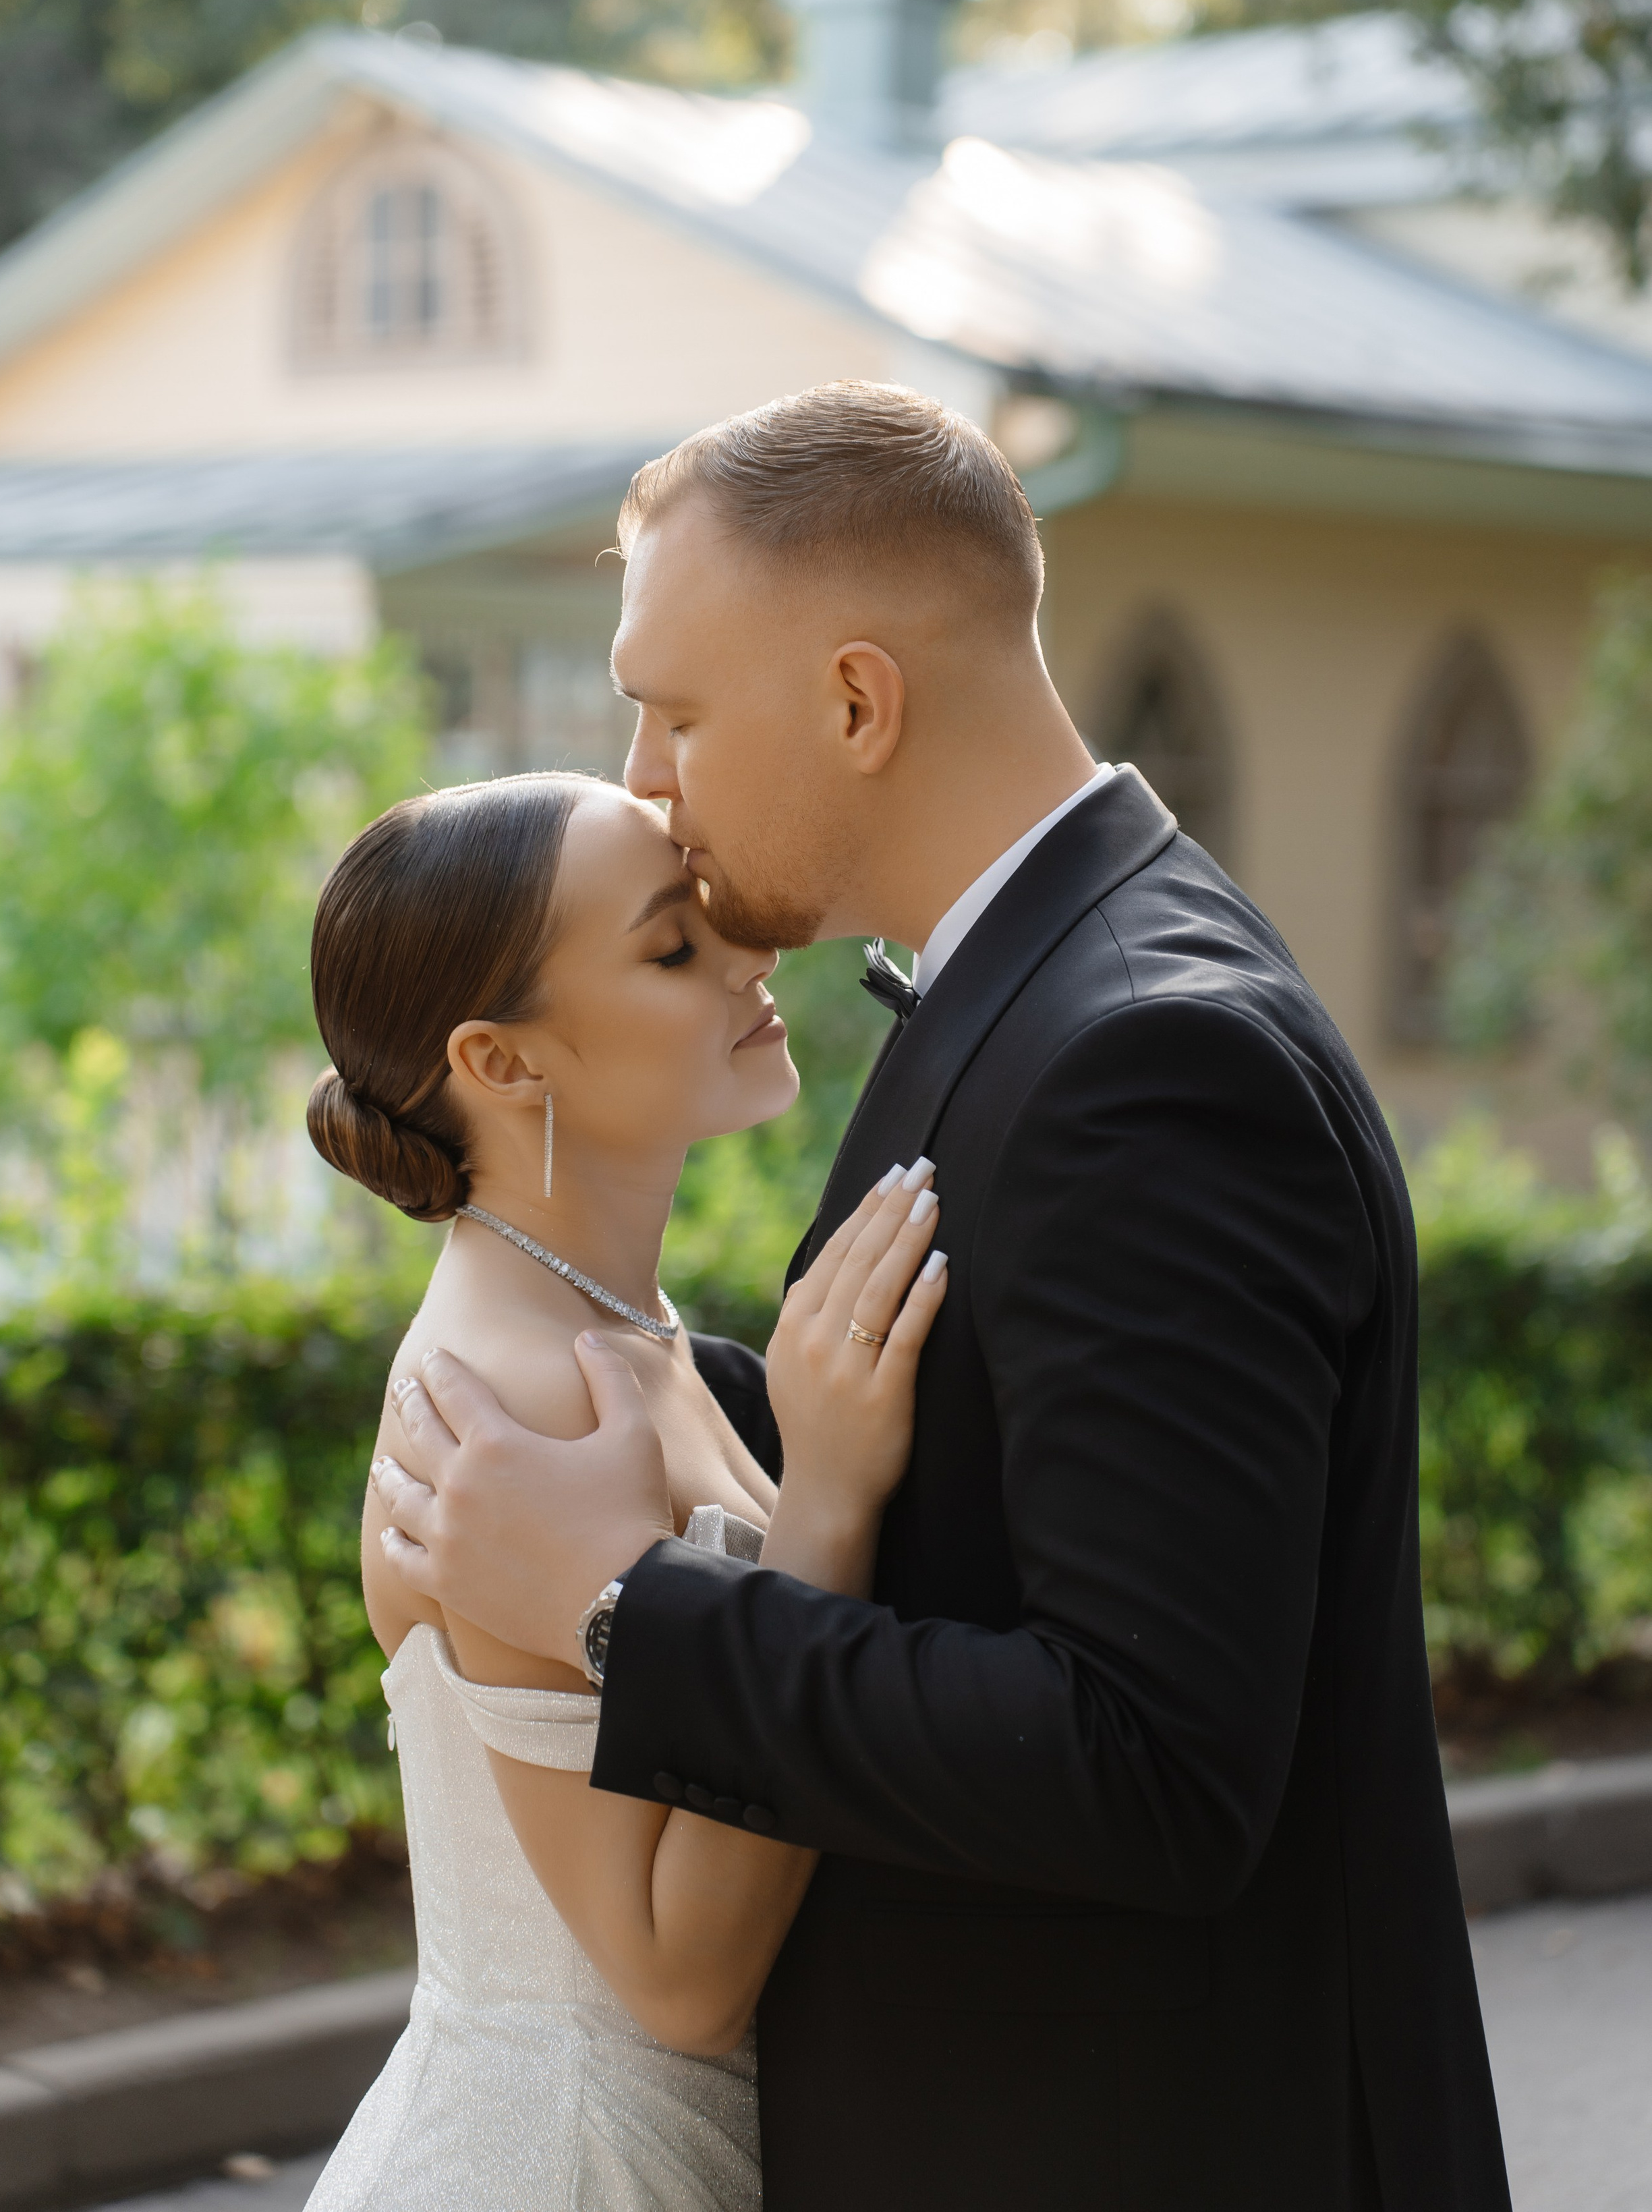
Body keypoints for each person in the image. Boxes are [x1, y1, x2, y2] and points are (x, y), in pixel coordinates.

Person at [374, 380, 1512, 2212]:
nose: (644, 779)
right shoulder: (1059, 984)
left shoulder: (1140, 1059)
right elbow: (1005, 1475)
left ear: (854, 702)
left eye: (671, 711)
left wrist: (614, 1603)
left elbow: (1151, 1766)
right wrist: (685, 1404)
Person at [300, 770, 948, 2211]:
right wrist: (827, 1501)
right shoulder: (502, 1397)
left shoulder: (619, 1332)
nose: (750, 958)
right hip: (571, 2162)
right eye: (673, 947)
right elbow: (673, 1978)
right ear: (503, 1060)